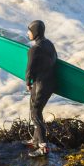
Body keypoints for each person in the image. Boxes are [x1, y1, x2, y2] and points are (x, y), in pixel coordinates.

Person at [23, 20, 57, 157]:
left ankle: (43, 146)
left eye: (29, 31)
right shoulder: (49, 44)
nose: (27, 33)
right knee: (36, 110)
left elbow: (29, 68)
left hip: (40, 85)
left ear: (35, 32)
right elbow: (55, 59)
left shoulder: (34, 49)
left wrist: (27, 82)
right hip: (50, 83)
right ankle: (36, 140)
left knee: (36, 113)